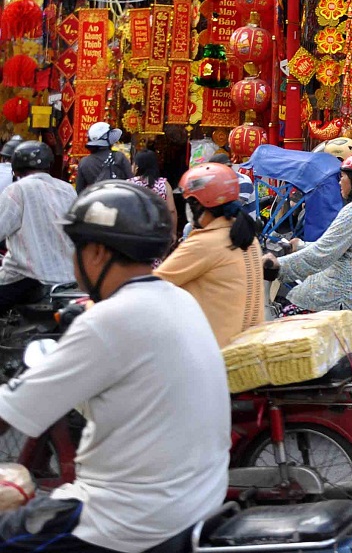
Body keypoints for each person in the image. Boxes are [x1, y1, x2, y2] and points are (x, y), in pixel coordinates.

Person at [0, 181, 228, 552]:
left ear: (97, 253)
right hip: (194, 503)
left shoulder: (108, 322)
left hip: (124, 519)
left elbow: (9, 411)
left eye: (75, 248)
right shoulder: (178, 300)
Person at [155, 162, 266, 347]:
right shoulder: (247, 238)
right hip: (245, 350)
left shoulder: (204, 243)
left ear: (198, 205)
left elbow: (152, 285)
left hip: (214, 353)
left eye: (189, 202)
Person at [273, 152, 352, 316]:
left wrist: (278, 266)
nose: (339, 182)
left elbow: (322, 254)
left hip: (343, 293)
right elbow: (336, 246)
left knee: (285, 317)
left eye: (342, 177)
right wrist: (301, 245)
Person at [0, 141, 77, 310]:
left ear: (16, 168)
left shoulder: (16, 190)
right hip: (68, 277)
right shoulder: (67, 189)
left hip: (29, 277)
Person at [130, 149, 178, 243]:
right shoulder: (164, 184)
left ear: (137, 166)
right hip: (159, 232)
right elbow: (171, 210)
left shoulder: (130, 184)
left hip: (136, 232)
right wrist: (173, 233)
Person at [74, 122, 132, 191]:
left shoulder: (84, 162)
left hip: (95, 200)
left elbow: (79, 191)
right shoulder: (119, 157)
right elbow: (131, 183)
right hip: (118, 199)